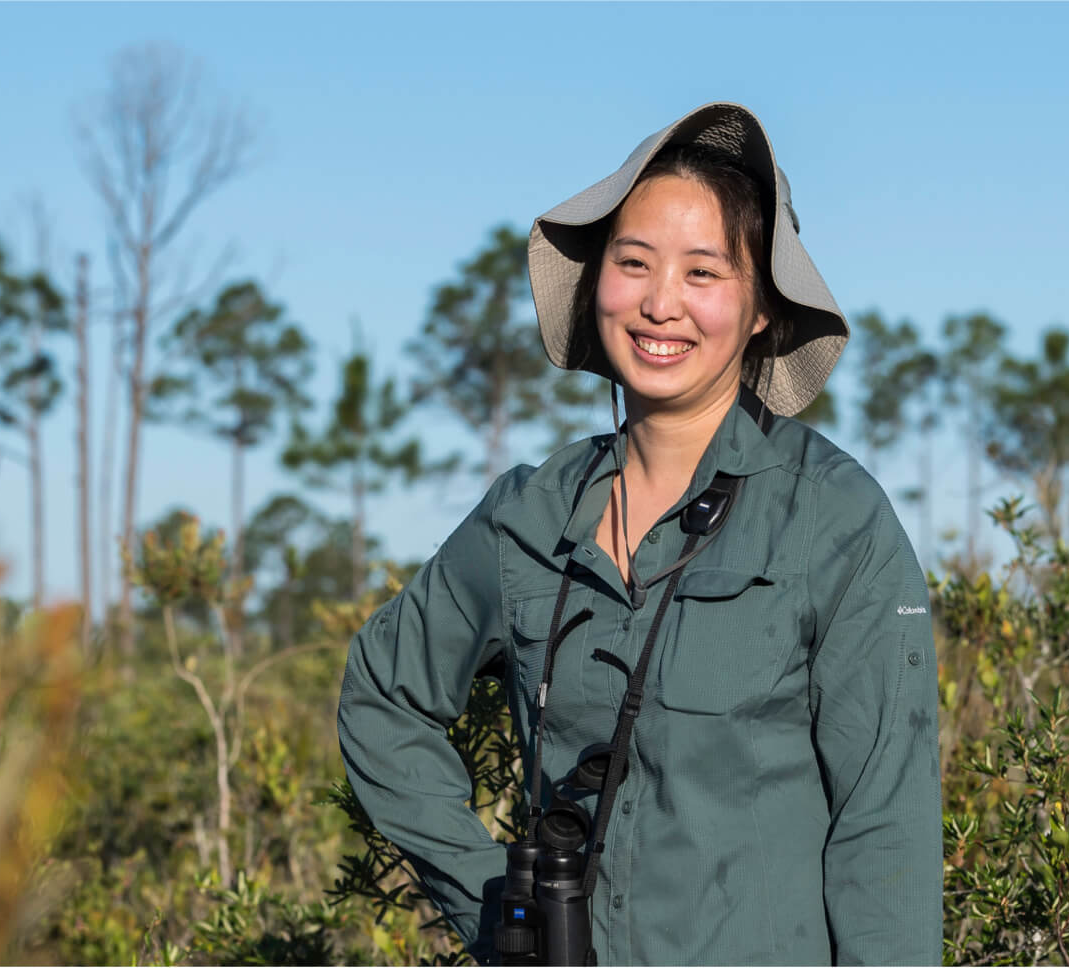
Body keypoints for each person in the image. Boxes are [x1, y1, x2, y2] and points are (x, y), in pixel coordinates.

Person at [336, 102, 942, 965]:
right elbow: (382, 694)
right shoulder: (529, 515)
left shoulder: (834, 521)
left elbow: (886, 832)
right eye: (634, 263)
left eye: (704, 273)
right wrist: (495, 907)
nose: (662, 304)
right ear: (597, 283)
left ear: (763, 307)